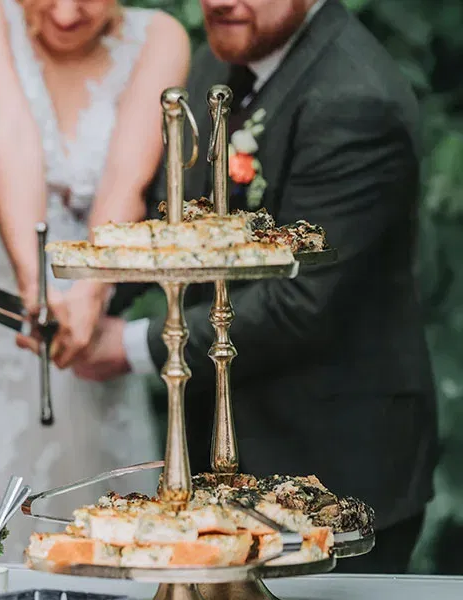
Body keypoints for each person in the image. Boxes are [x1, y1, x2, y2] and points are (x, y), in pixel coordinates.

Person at [65, 0, 439, 574]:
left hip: (331, 469)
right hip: (217, 464)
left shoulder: (356, 98)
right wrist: (90, 302)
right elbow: (182, 222)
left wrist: (133, 345)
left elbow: (303, 301)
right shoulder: (219, 58)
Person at [0, 0, 189, 560]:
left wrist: (89, 292)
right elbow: (9, 133)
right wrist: (37, 288)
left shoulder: (161, 39)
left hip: (84, 341)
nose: (66, 12)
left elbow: (125, 179)